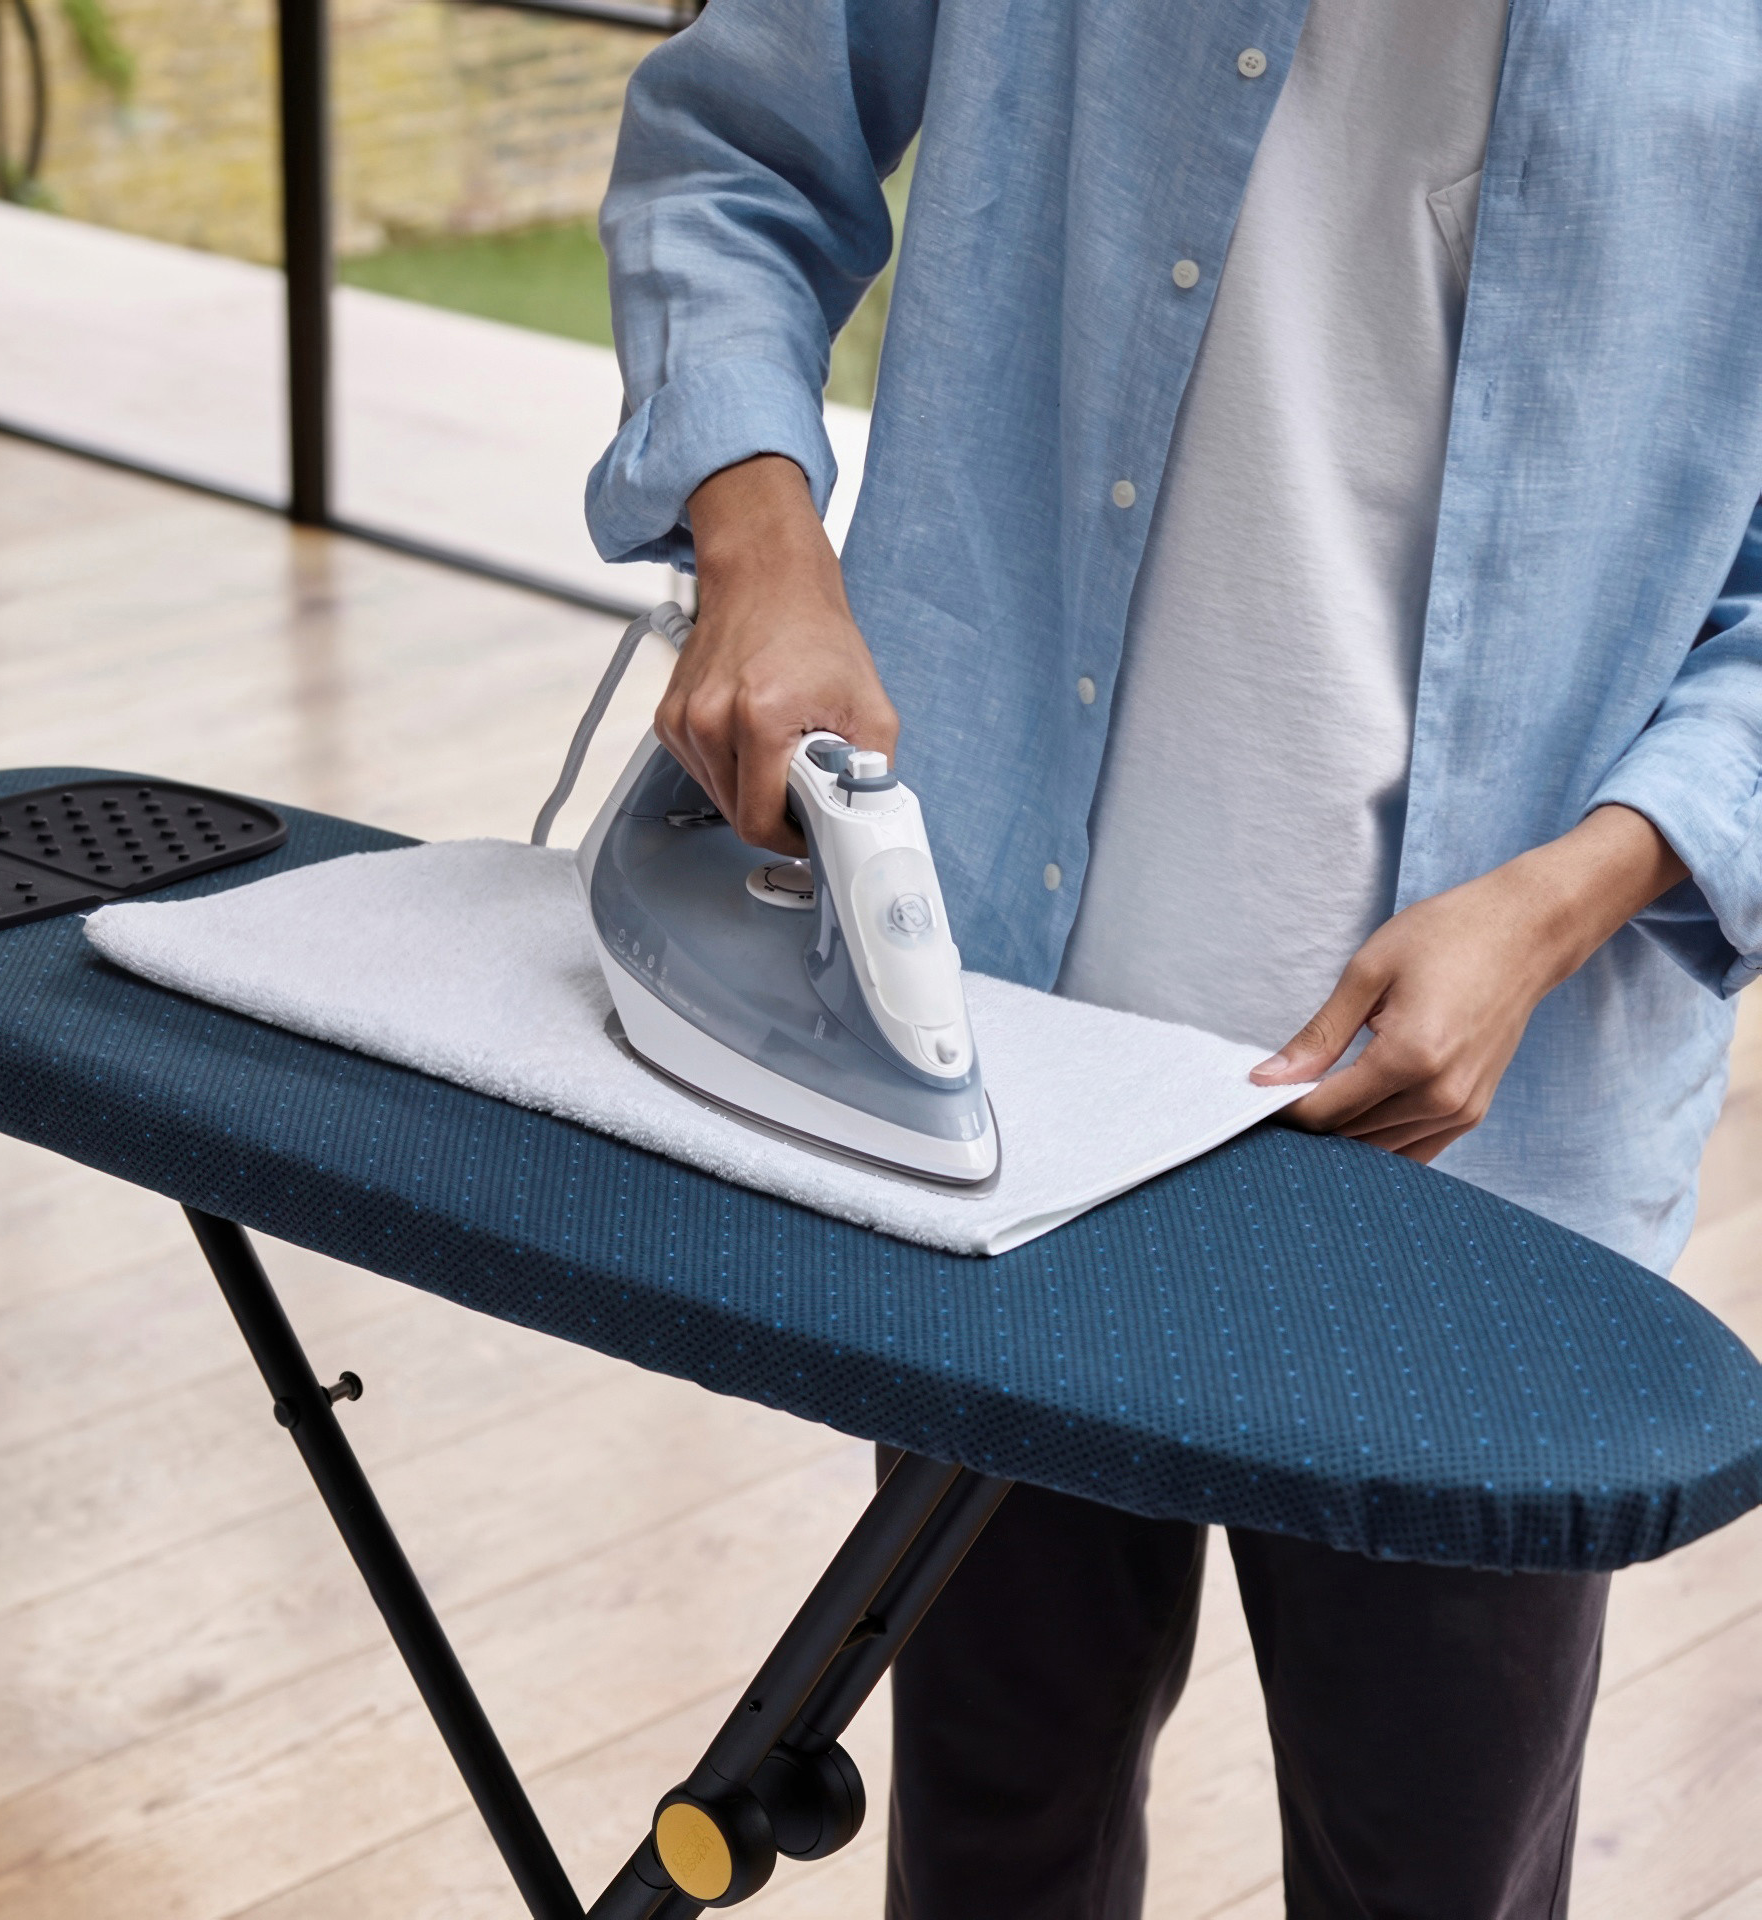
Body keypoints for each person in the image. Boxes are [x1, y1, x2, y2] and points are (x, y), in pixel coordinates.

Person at [584, 0, 1762, 1911]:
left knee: (1435, 1873)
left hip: (1482, 1161)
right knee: (996, 1832)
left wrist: (1568, 896)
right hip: (996, 1079)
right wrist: (761, 542)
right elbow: (732, 150)